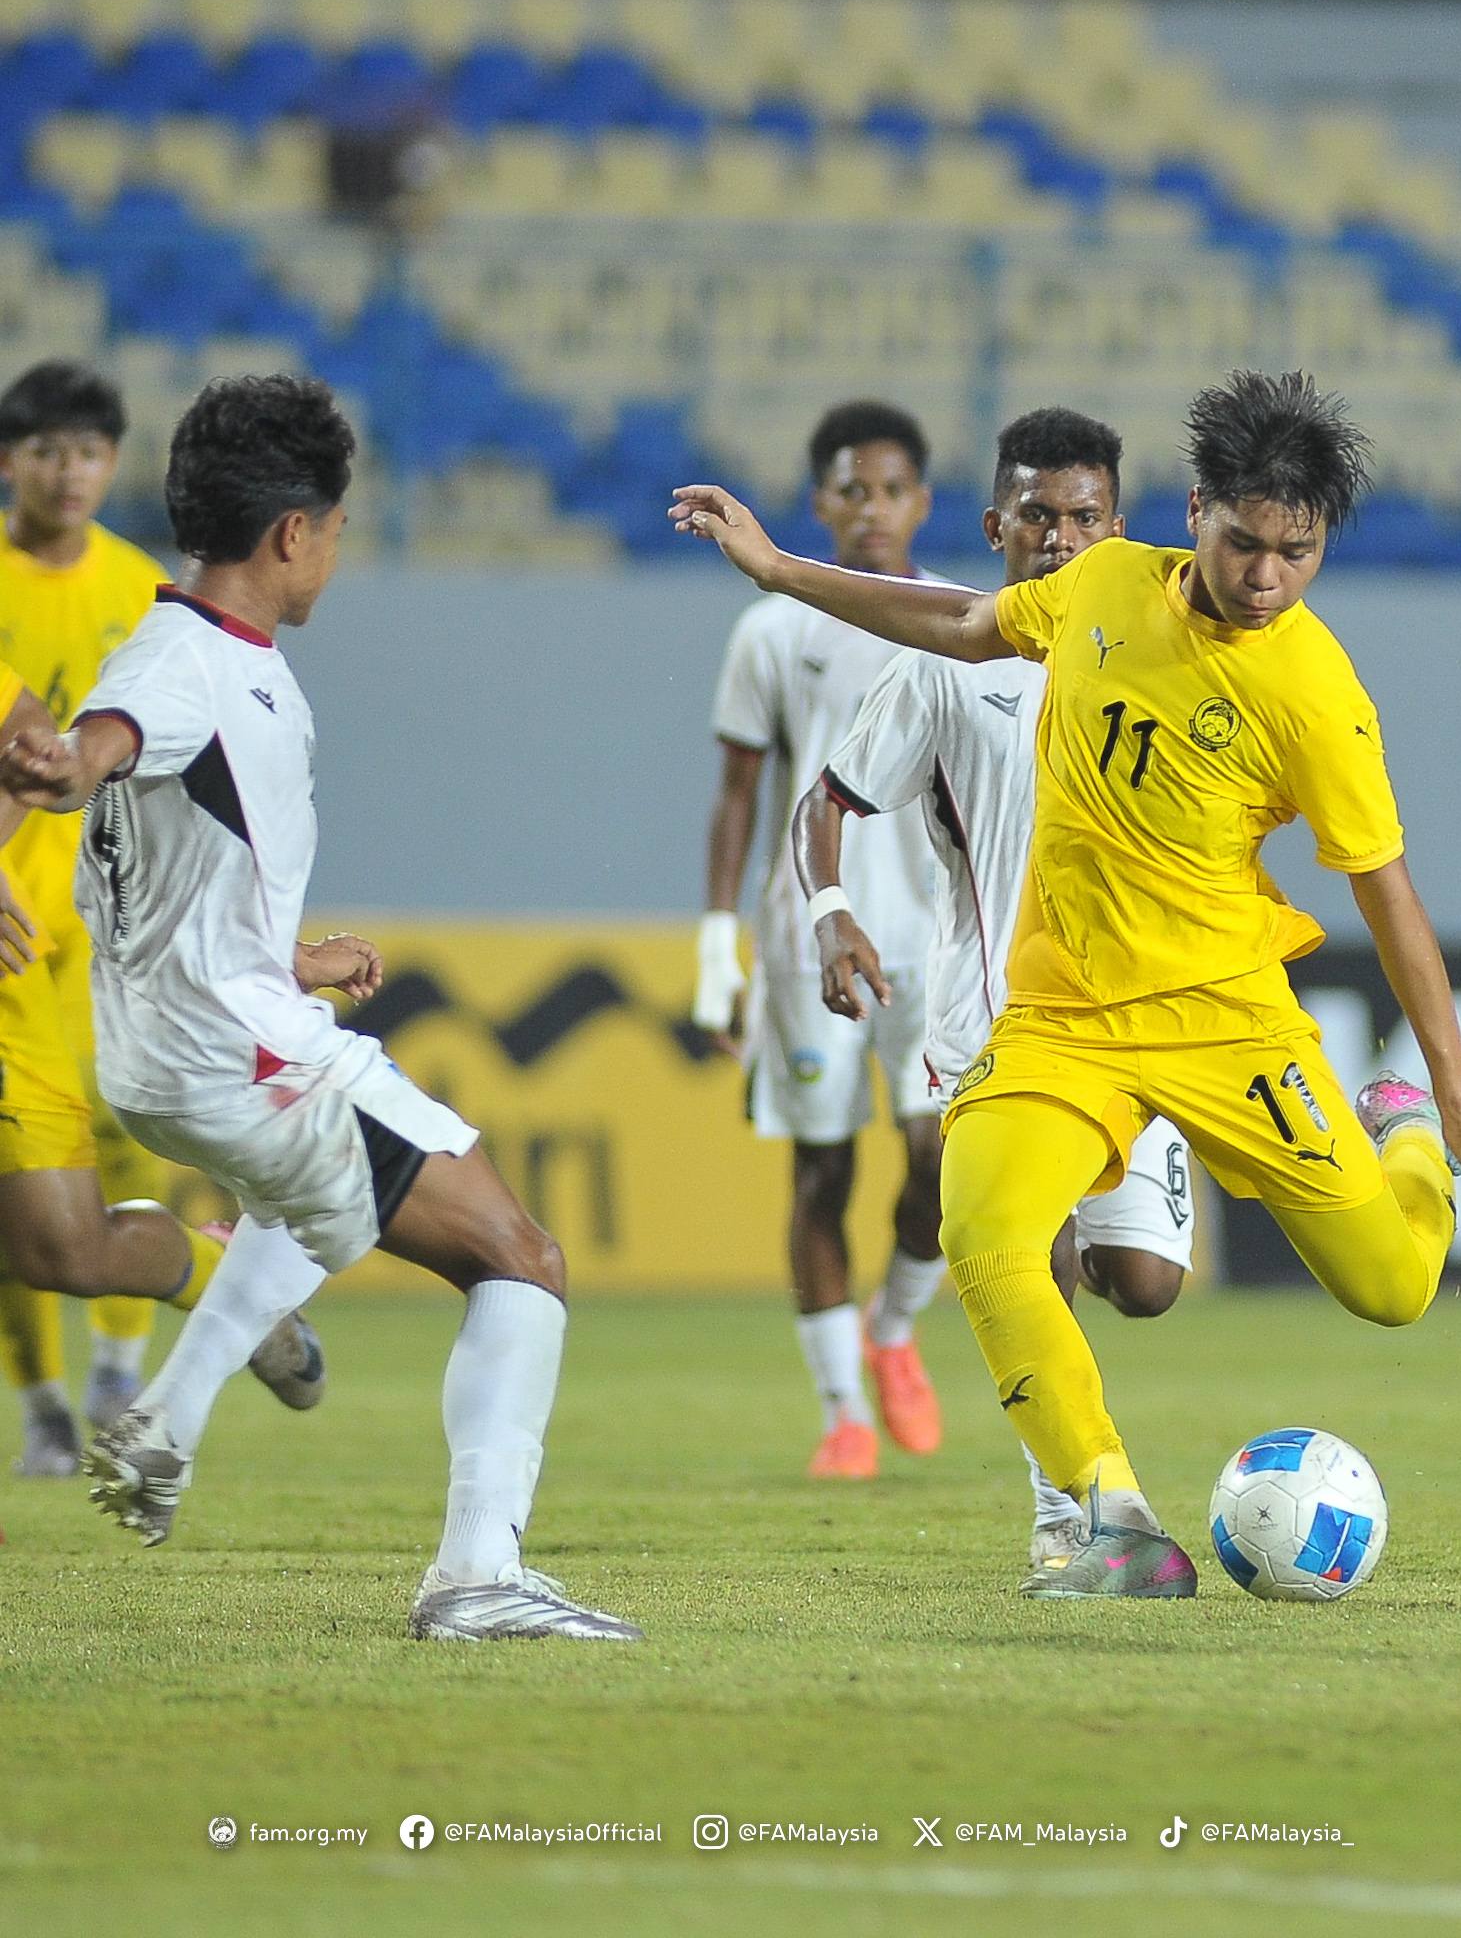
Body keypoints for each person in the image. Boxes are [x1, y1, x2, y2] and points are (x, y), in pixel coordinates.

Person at [670, 368, 1461, 1599]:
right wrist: (775, 569)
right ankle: (1110, 1517)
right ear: (1193, 512)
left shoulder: (1315, 694)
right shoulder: (1099, 580)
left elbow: (1384, 895)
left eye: (1296, 554)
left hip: (1225, 1024)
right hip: (1062, 1020)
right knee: (982, 1224)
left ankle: (1388, 1127)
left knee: (1391, 1289)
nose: (1263, 578)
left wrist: (1451, 1094)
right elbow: (965, 628)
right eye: (1243, 544)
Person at [0, 373, 640, 1643]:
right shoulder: (188, 666)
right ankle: (475, 1580)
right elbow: (108, 747)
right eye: (338, 530)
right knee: (522, 1257)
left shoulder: (178, 637)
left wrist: (292, 959)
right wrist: (66, 765)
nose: (336, 554)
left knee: (326, 1196)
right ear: (293, 530)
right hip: (229, 1060)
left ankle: (169, 1422)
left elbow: (159, 868)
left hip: (180, 1045)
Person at [792, 407, 1196, 1572]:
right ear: (994, 525)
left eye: (1083, 517)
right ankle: (1066, 1519)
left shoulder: (1163, 650)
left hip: (1142, 1023)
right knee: (1039, 1249)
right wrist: (830, 914)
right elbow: (822, 801)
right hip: (998, 1026)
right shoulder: (940, 670)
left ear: (1115, 528)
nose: (1060, 538)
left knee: (1144, 1284)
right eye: (1037, 515)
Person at [0, 361, 317, 1471]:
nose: (70, 470)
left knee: (62, 1234)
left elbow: (41, 745)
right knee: (40, 1237)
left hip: (78, 942)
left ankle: (120, 1377)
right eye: (49, 449)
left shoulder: (144, 593)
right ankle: (48, 1398)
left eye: (89, 450)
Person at [696, 401, 945, 1481]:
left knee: (939, 1162)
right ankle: (842, 1408)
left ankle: (891, 1327)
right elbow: (737, 797)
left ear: (922, 502)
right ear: (819, 502)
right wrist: (717, 951)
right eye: (851, 489)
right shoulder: (771, 629)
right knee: (821, 1169)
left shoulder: (956, 619)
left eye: (891, 489)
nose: (871, 509)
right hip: (808, 936)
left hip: (934, 930)